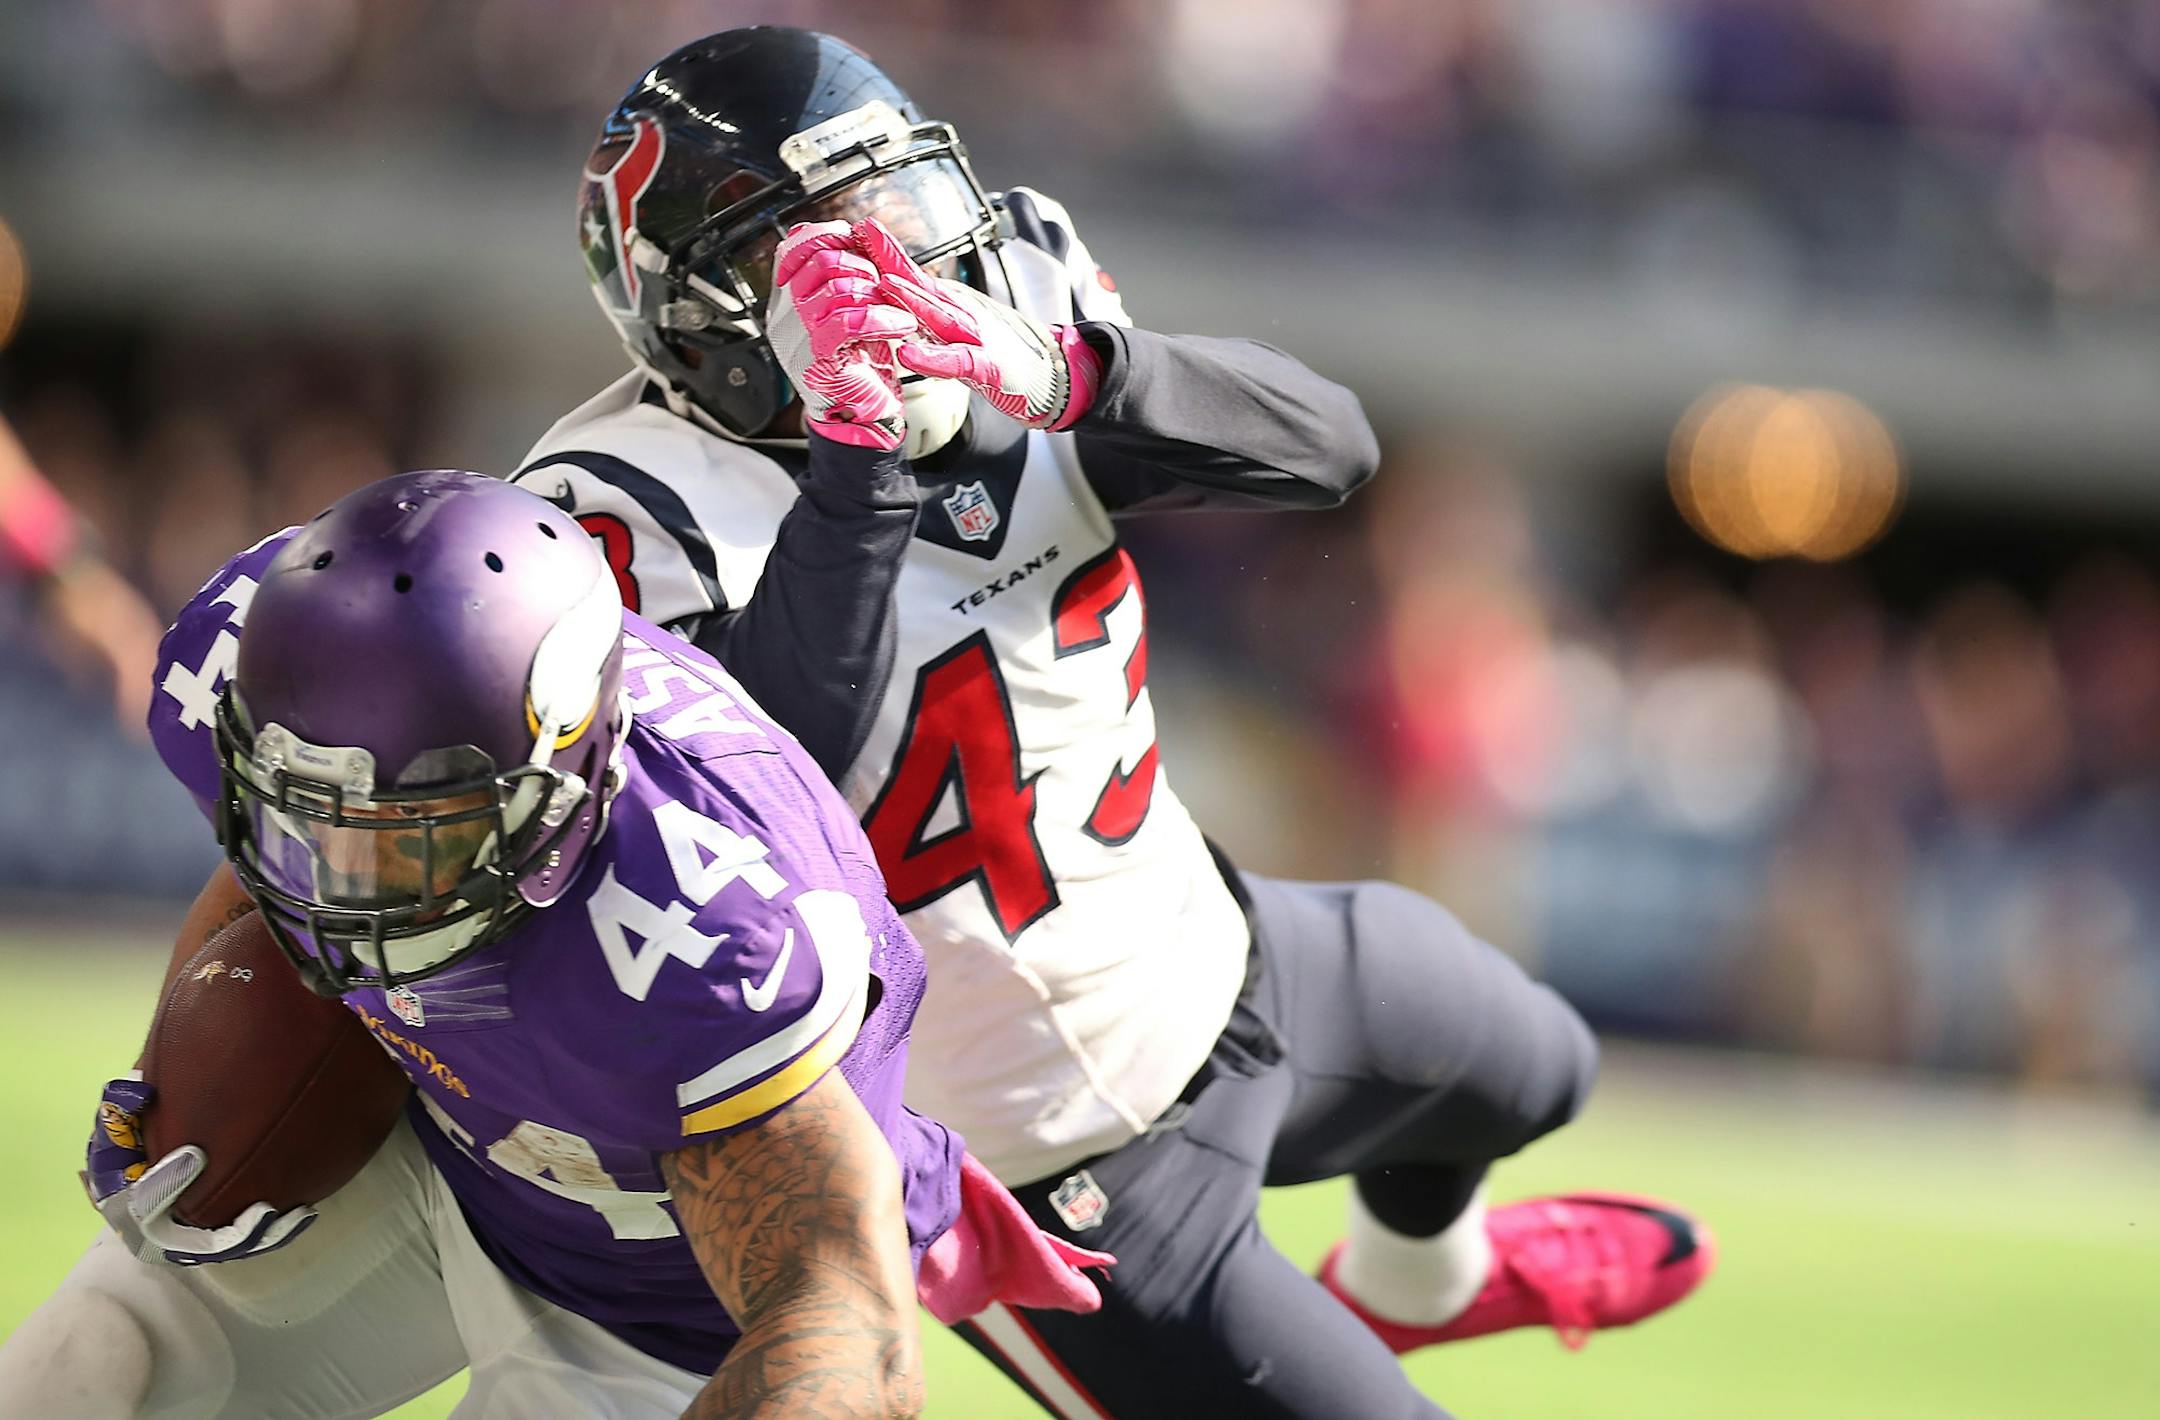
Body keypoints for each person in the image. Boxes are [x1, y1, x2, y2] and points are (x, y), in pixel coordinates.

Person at [517, 28, 1714, 1418]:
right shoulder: (623, 505)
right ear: (703, 312)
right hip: (1046, 1164)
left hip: (1222, 952)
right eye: (818, 257)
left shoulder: (1003, 292)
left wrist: (1086, 373)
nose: (894, 276)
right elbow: (787, 806)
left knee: (1541, 1064)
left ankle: (1418, 1285)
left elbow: (1331, 447)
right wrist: (855, 473)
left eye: (896, 216)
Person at [0, 470, 1106, 1419]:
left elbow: (843, 1325)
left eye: (407, 844)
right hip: (441, 1145)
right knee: (88, 1361)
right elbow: (274, 863)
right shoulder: (249, 657)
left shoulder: (701, 923)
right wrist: (173, 1067)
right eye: (308, 822)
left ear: (560, 781)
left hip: (654, 1314)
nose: (339, 888)